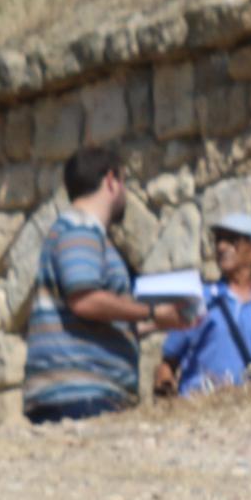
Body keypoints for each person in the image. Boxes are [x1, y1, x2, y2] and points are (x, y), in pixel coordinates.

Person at [21, 147, 156, 426]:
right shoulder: (79, 228)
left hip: (83, 395)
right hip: (80, 397)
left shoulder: (81, 231)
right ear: (111, 180)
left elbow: (101, 316)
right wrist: (150, 311)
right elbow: (85, 301)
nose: (125, 194)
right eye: (124, 183)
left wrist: (163, 319)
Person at [164, 212, 251, 393]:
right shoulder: (198, 300)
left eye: (232, 241)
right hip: (202, 405)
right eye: (218, 240)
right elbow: (168, 363)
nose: (221, 247)